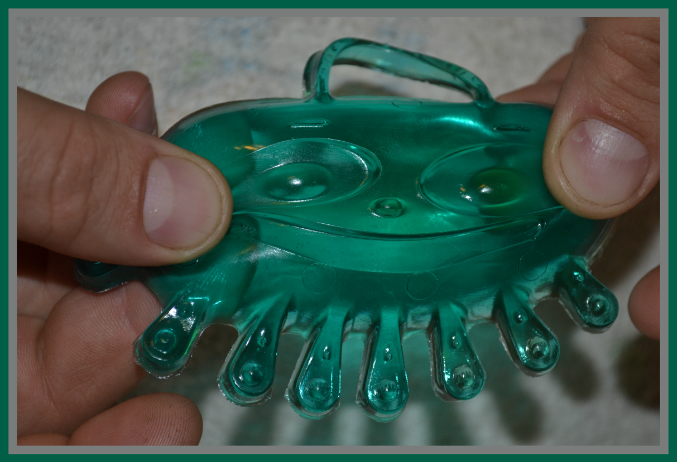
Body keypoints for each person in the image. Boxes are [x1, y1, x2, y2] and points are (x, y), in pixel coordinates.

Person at [17, 17, 659, 445]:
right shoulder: (213, 162)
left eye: (487, 188)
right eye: (303, 181)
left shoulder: (548, 170)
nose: (392, 211)